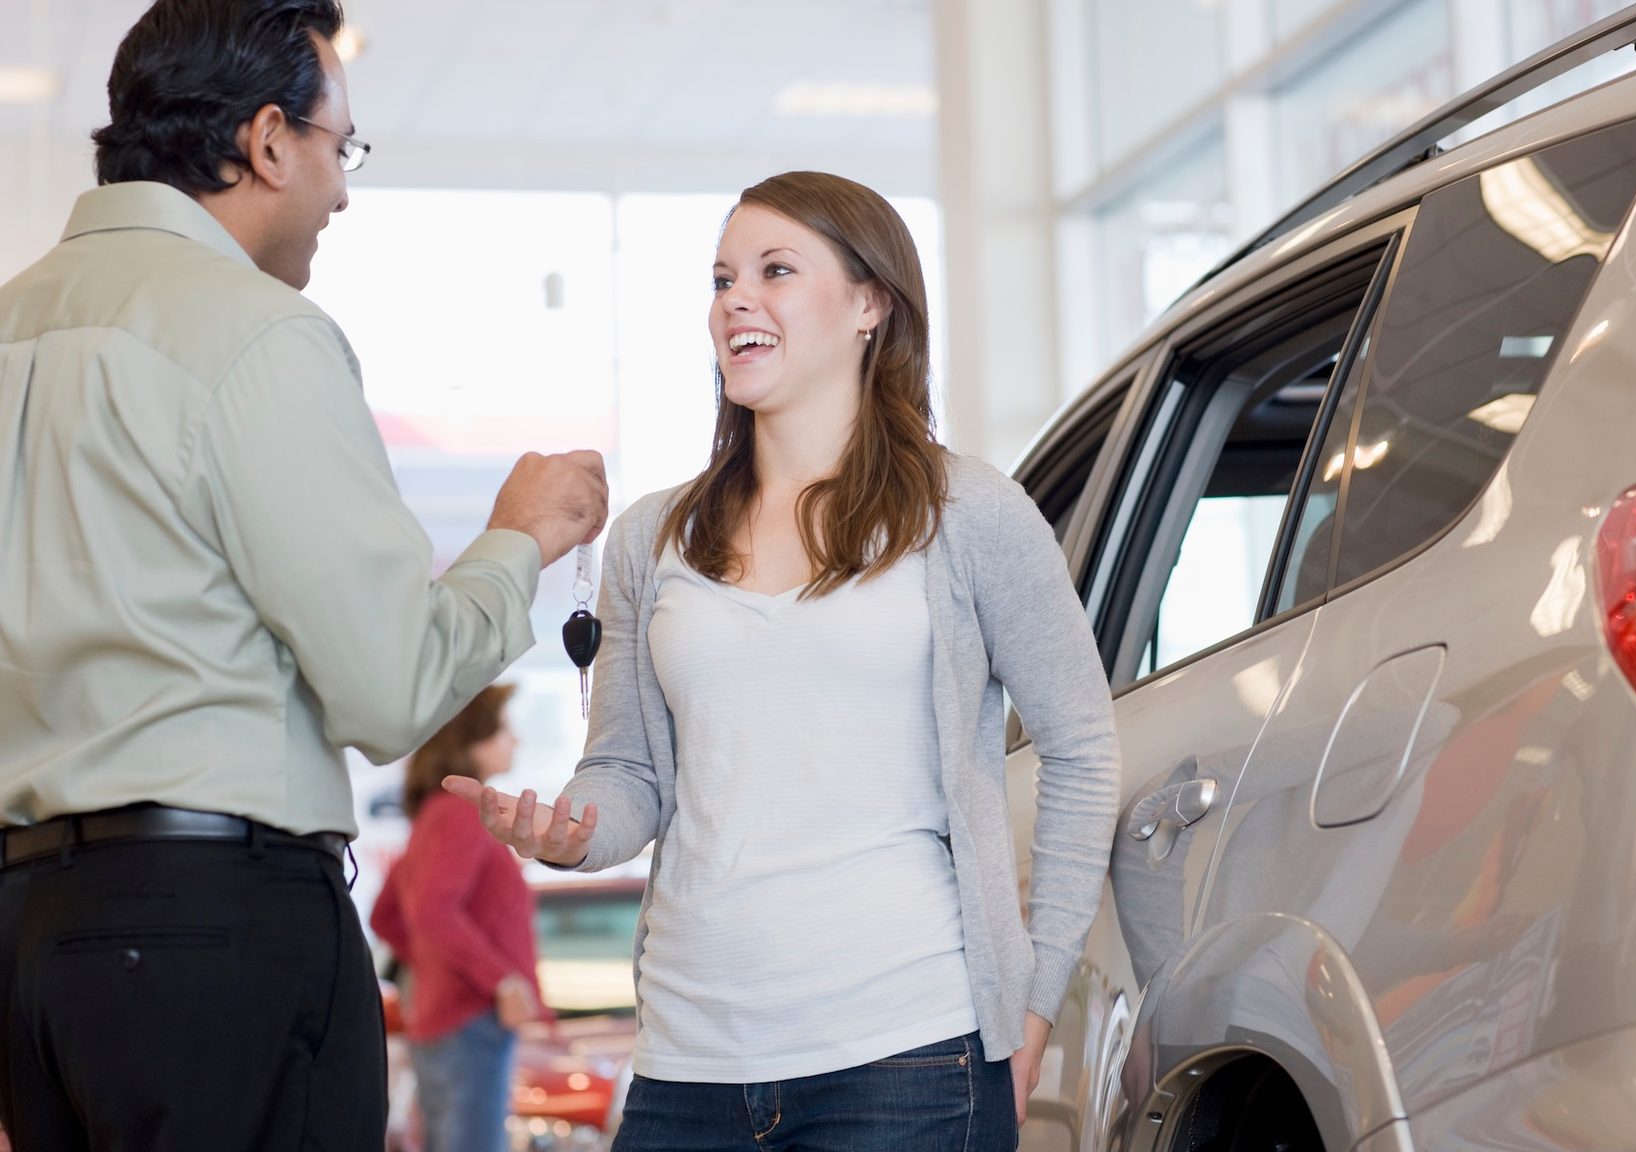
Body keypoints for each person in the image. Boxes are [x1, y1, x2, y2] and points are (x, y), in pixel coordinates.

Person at [0, 2, 608, 1148]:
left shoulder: (12, 321)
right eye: (342, 147)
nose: (342, 192)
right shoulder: (255, 331)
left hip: (31, 932)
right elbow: (390, 687)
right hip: (214, 927)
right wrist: (518, 539)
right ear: (269, 141)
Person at [447, 170, 1121, 1150]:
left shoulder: (967, 514)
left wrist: (1036, 994)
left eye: (775, 271)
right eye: (723, 280)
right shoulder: (653, 539)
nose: (736, 301)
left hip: (908, 1055)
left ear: (869, 304)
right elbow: (629, 772)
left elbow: (1082, 746)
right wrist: (570, 834)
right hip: (688, 1064)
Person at [373, 685, 544, 1152]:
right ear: (471, 739)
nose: (515, 740)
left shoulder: (433, 814)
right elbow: (430, 912)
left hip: (443, 1018)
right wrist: (500, 980)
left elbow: (387, 916)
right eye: (503, 730)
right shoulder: (465, 814)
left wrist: (436, 965)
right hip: (471, 1020)